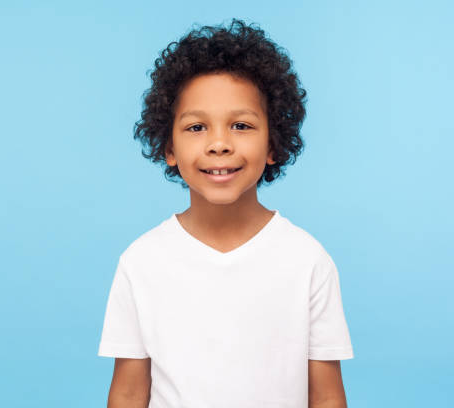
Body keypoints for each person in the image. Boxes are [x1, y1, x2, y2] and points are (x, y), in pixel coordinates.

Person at [98, 18, 354, 408]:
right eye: (197, 126)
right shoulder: (141, 263)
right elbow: (130, 392)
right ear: (169, 147)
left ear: (273, 144)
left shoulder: (307, 261)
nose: (219, 144)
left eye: (241, 125)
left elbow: (327, 396)